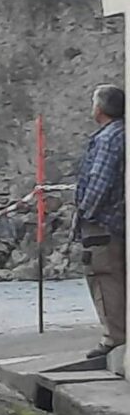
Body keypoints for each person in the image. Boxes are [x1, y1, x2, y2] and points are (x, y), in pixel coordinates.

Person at [75, 84, 126, 361]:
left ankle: (114, 337)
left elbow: (99, 181)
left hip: (103, 225)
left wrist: (85, 213)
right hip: (114, 222)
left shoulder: (109, 138)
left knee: (103, 277)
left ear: (101, 108)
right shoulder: (119, 134)